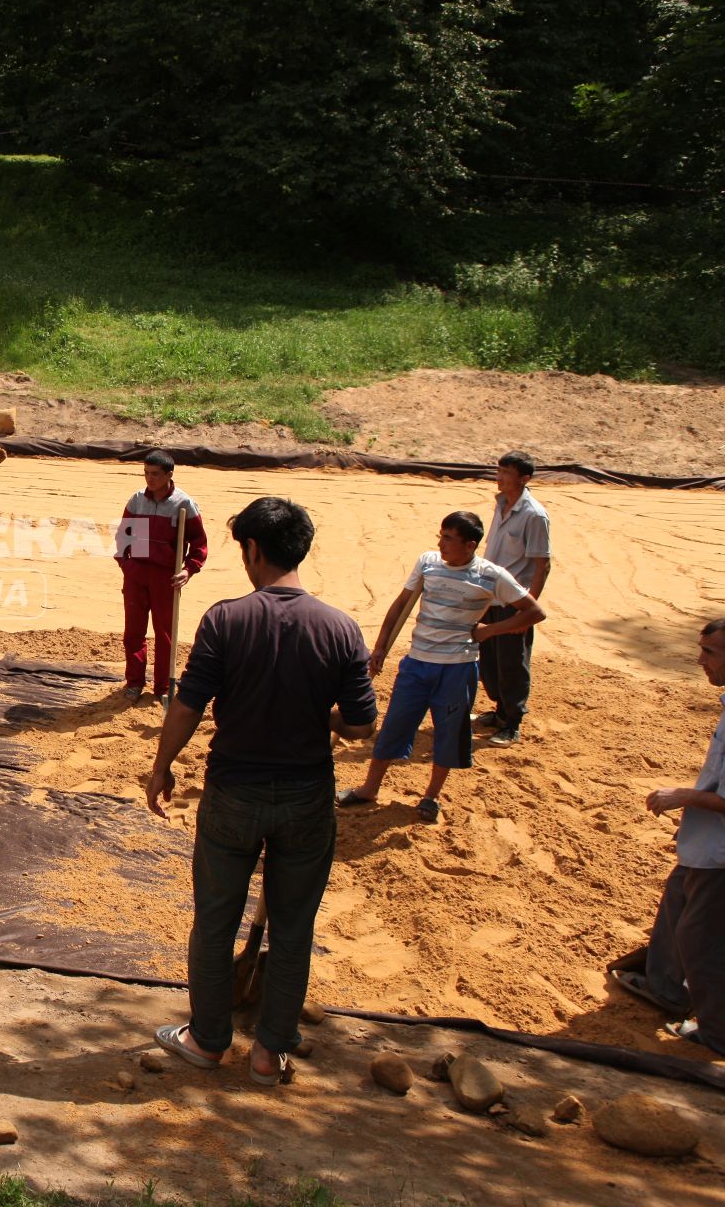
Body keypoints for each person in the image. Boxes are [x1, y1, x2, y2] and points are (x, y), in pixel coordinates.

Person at [146, 497, 377, 1085]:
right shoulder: (341, 628)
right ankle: (269, 1052)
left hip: (234, 795)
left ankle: (206, 1039)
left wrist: (162, 766)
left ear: (253, 550)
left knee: (216, 920)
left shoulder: (225, 620)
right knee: (294, 928)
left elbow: (190, 704)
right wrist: (314, 713)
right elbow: (360, 727)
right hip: (306, 799)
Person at [337, 511, 544, 822]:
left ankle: (431, 796)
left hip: (458, 668)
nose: (441, 543)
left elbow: (534, 611)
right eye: (441, 536)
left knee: (448, 733)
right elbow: (401, 604)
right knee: (394, 726)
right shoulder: (427, 562)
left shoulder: (492, 575)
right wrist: (380, 647)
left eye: (448, 538)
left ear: (470, 544)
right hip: (417, 664)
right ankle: (369, 788)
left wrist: (488, 631)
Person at [613, 618, 725, 1050]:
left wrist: (683, 796)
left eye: (710, 652)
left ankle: (717, 1034)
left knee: (700, 938)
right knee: (677, 902)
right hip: (703, 844)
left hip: (719, 854)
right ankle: (664, 988)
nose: (700, 660)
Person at [114, 450, 208, 699]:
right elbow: (124, 536)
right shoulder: (137, 500)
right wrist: (126, 564)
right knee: (133, 632)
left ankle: (163, 688)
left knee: (165, 634)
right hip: (137, 572)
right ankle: (134, 683)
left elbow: (198, 543)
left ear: (169, 474)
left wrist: (188, 570)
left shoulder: (183, 504)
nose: (149, 479)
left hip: (166, 576)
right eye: (146, 473)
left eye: (155, 474)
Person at [478, 450, 550, 745]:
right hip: (488, 596)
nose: (500, 477)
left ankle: (513, 721)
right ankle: (500, 711)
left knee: (511, 661)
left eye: (507, 473)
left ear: (524, 478)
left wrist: (526, 610)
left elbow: (541, 564)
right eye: (499, 470)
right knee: (490, 659)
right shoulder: (500, 505)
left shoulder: (534, 515)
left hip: (512, 601)